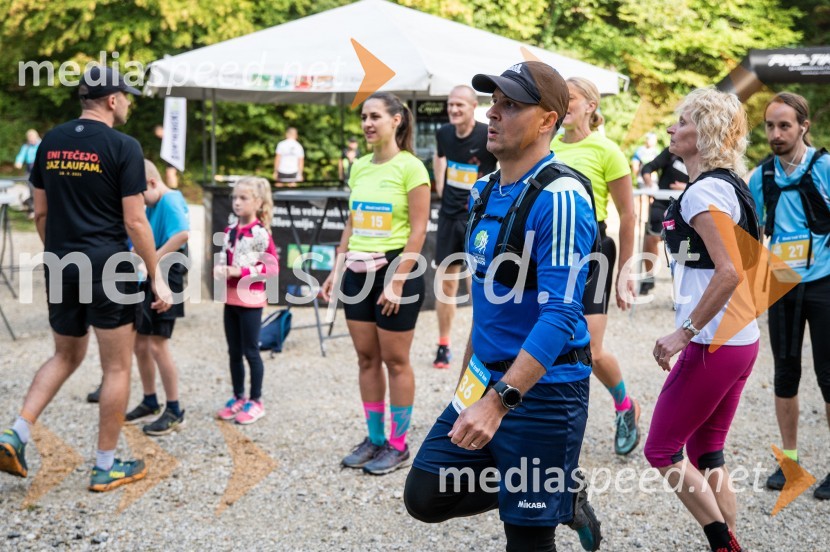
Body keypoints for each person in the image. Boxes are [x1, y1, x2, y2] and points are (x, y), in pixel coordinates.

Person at [405, 61, 602, 552]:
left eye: (510, 105)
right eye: (494, 102)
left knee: (527, 541)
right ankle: (558, 489)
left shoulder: (560, 196)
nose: (492, 113)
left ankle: (550, 491)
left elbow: (562, 315)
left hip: (544, 392)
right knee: (425, 495)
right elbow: (487, 303)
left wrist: (498, 403)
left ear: (548, 120)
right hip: (485, 378)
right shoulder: (484, 190)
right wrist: (467, 387)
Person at [0, 67, 172, 492]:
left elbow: (40, 214)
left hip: (61, 262)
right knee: (117, 366)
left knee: (64, 355)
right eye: (126, 96)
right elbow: (136, 221)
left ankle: (15, 433)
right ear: (112, 100)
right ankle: (105, 466)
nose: (128, 103)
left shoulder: (50, 141)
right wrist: (156, 275)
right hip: (108, 266)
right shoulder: (124, 146)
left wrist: (62, 255)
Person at [645, 88, 761, 552]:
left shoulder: (704, 192)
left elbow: (730, 271)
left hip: (714, 341)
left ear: (707, 133)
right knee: (706, 452)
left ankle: (724, 545)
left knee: (661, 449)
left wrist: (683, 333)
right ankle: (732, 540)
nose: (671, 128)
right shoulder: (729, 184)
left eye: (683, 122)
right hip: (740, 338)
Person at [320, 92, 430, 476]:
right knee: (366, 358)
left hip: (397, 269)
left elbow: (419, 231)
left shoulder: (412, 168)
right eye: (364, 117)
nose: (367, 123)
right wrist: (336, 268)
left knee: (395, 361)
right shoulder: (359, 167)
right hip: (357, 271)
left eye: (375, 117)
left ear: (396, 120)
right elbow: (352, 221)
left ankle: (398, 445)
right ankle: (374, 437)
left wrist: (397, 282)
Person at [550, 77, 641, 456]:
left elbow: (628, 215)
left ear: (591, 105)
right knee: (547, 340)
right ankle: (549, 423)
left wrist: (626, 271)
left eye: (570, 98)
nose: (564, 105)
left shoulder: (608, 151)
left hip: (593, 251)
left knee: (590, 349)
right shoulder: (547, 146)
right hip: (551, 250)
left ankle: (625, 405)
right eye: (560, 99)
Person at [748, 92, 830, 500]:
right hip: (781, 285)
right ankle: (790, 463)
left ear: (803, 127)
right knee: (785, 374)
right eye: (770, 126)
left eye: (784, 125)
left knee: (829, 377)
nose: (776, 134)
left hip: (825, 283)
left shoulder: (825, 168)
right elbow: (751, 237)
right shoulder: (760, 177)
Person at [431, 85, 497, 369]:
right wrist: (440, 185)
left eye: (460, 104)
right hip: (449, 215)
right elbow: (439, 157)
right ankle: (443, 344)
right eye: (450, 105)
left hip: (478, 216)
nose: (454, 109)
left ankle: (482, 344)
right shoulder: (444, 133)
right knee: (446, 281)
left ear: (472, 107)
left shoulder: (486, 134)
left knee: (477, 283)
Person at [123, 160, 190, 435]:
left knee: (157, 346)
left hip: (167, 272)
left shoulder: (170, 200)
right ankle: (150, 401)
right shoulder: (152, 204)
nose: (139, 201)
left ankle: (174, 410)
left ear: (152, 183)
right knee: (140, 343)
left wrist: (152, 259)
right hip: (149, 274)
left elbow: (182, 235)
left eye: (140, 195)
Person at [214, 177, 278, 425]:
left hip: (250, 301)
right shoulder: (229, 230)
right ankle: (238, 396)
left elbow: (271, 268)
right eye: (234, 198)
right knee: (233, 352)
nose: (237, 202)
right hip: (230, 300)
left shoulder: (260, 233)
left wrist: (239, 272)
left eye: (243, 198)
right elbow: (224, 257)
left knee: (251, 352)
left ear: (258, 202)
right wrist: (220, 269)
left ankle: (256, 400)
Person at [638, 146, 689, 295]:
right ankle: (649, 276)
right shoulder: (672, 151)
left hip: (684, 206)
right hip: (661, 204)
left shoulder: (701, 155)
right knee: (651, 237)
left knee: (681, 246)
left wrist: (686, 187)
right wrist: (649, 182)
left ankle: (679, 287)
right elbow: (648, 167)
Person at [14, 129, 41, 216]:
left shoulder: (41, 144)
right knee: (31, 187)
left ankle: (37, 208)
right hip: (29, 169)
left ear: (36, 137)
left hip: (39, 168)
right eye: (29, 138)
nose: (31, 140)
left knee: (38, 189)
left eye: (32, 138)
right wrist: (18, 162)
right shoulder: (26, 146)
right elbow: (21, 155)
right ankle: (32, 208)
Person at [153, 125, 179, 189]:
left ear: (162, 130)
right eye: (158, 136)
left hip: (173, 156)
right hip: (170, 158)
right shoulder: (166, 138)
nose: (159, 136)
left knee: (171, 173)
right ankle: (171, 188)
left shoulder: (171, 136)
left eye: (159, 134)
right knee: (169, 173)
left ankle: (174, 189)